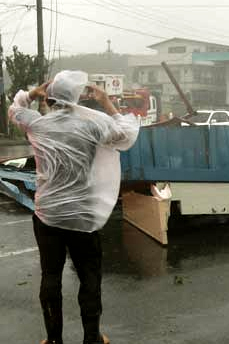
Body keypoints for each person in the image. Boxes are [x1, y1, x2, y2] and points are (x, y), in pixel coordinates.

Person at [8, 70, 140, 344]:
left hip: (48, 215)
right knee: (89, 276)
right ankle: (92, 338)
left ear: (51, 97)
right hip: (83, 214)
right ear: (75, 98)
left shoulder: (38, 124)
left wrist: (33, 93)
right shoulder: (92, 126)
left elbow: (14, 108)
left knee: (51, 276)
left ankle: (53, 339)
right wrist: (105, 101)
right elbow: (127, 135)